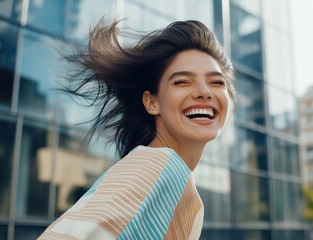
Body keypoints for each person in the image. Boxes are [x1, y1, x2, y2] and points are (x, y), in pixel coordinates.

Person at [38, 18, 235, 240]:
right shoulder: (159, 166)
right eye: (182, 82)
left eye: (217, 82)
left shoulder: (163, 170)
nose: (204, 92)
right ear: (152, 102)